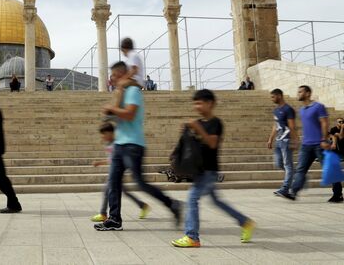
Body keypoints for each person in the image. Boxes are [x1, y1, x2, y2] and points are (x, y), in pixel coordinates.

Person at [94, 61, 180, 231]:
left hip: (133, 144)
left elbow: (130, 114)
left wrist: (112, 109)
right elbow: (114, 114)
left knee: (141, 183)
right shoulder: (122, 92)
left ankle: (172, 204)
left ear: (122, 75)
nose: (112, 80)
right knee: (113, 182)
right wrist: (112, 107)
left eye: (114, 76)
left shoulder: (133, 91)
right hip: (120, 143)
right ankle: (114, 218)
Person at [171, 89, 255, 247]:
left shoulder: (216, 123)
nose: (197, 106)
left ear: (210, 103)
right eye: (195, 103)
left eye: (200, 103)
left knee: (192, 198)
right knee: (217, 202)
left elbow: (212, 143)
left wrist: (197, 127)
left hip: (209, 171)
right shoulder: (199, 123)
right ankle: (245, 222)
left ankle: (192, 237)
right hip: (200, 169)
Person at [90, 122, 150, 222]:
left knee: (107, 191)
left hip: (117, 172)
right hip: (115, 172)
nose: (103, 136)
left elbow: (115, 159)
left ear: (111, 133)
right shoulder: (110, 143)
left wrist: (99, 162)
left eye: (104, 134)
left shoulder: (117, 143)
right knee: (123, 192)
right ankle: (143, 206)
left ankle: (103, 213)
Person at [287, 85, 332, 201]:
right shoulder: (301, 110)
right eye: (298, 92)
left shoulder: (318, 107)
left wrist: (324, 139)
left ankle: (338, 194)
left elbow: (324, 123)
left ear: (308, 93)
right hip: (306, 145)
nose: (298, 94)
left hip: (319, 144)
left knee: (328, 168)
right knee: (300, 169)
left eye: (300, 92)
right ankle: (293, 192)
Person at [267, 89, 297, 198]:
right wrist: (270, 139)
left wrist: (294, 140)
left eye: (273, 97)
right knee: (279, 163)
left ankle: (285, 189)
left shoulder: (288, 109)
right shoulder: (276, 110)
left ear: (279, 96)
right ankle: (297, 175)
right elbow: (275, 126)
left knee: (287, 164)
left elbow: (292, 126)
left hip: (287, 140)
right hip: (279, 141)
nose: (272, 99)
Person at [328, 118, 344, 203]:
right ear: (336, 122)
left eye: (342, 122)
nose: (341, 123)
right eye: (339, 122)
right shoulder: (333, 129)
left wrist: (342, 129)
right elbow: (337, 137)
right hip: (336, 153)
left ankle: (338, 194)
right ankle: (337, 194)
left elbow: (341, 136)